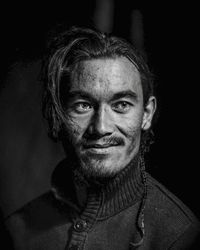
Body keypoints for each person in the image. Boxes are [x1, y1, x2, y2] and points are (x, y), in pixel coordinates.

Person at [4, 26, 200, 250]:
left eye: (121, 105)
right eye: (83, 105)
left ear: (146, 114)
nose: (101, 127)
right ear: (58, 113)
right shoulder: (17, 231)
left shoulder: (179, 236)